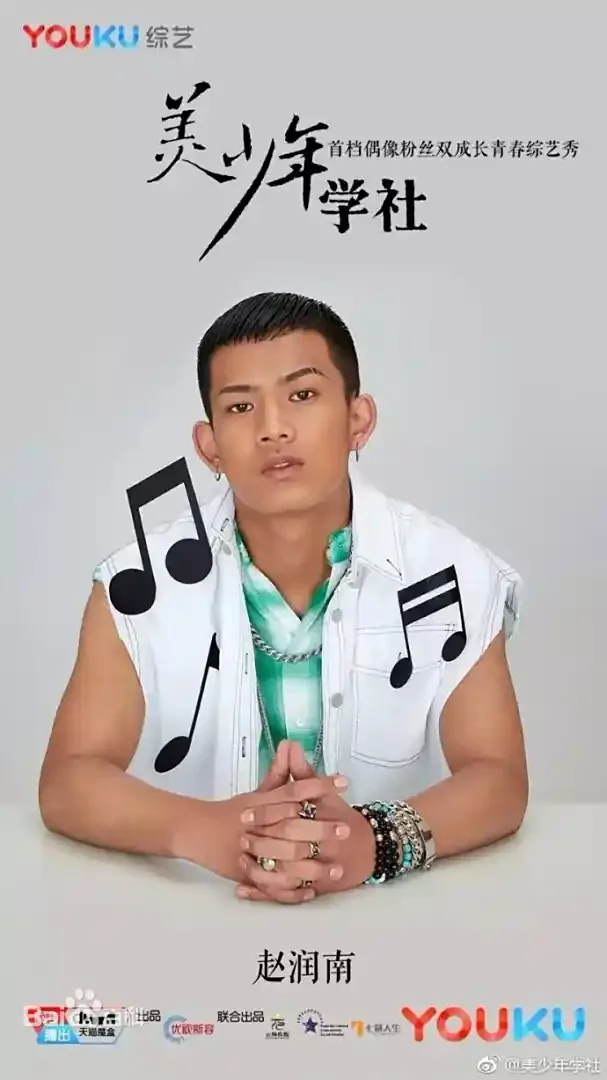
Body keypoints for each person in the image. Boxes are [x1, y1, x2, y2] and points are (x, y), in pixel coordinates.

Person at [39, 292, 528, 904]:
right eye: (241, 406)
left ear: (358, 419)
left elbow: (499, 777)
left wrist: (373, 840)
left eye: (302, 394)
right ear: (209, 446)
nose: (273, 428)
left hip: (399, 914)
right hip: (191, 909)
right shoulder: (136, 585)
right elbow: (68, 779)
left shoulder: (453, 571)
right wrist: (207, 831)